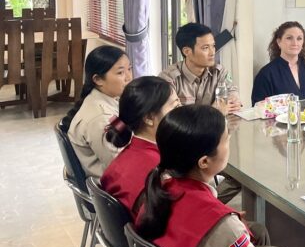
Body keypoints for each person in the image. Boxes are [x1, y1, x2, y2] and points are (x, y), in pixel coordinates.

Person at [137, 105, 305, 247]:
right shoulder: (223, 228)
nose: (230, 141)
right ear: (204, 162)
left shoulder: (158, 192)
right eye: (226, 139)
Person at [100, 76, 181, 218]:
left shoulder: (128, 155)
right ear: (149, 118)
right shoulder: (161, 171)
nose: (182, 112)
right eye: (175, 107)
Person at [66, 46, 133, 177]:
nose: (129, 77)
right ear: (98, 79)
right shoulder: (101, 119)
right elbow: (122, 165)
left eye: (129, 69)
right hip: (113, 186)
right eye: (120, 73)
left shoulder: (106, 100)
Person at [159, 22, 242, 113]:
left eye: (213, 46)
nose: (212, 52)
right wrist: (213, 111)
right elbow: (171, 118)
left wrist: (229, 100)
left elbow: (233, 96)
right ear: (187, 51)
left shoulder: (219, 72)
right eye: (205, 48)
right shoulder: (169, 78)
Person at [251, 22, 305, 105]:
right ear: (279, 42)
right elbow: (258, 108)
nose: (295, 43)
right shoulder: (266, 74)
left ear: (303, 43)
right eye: (289, 38)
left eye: (299, 38)